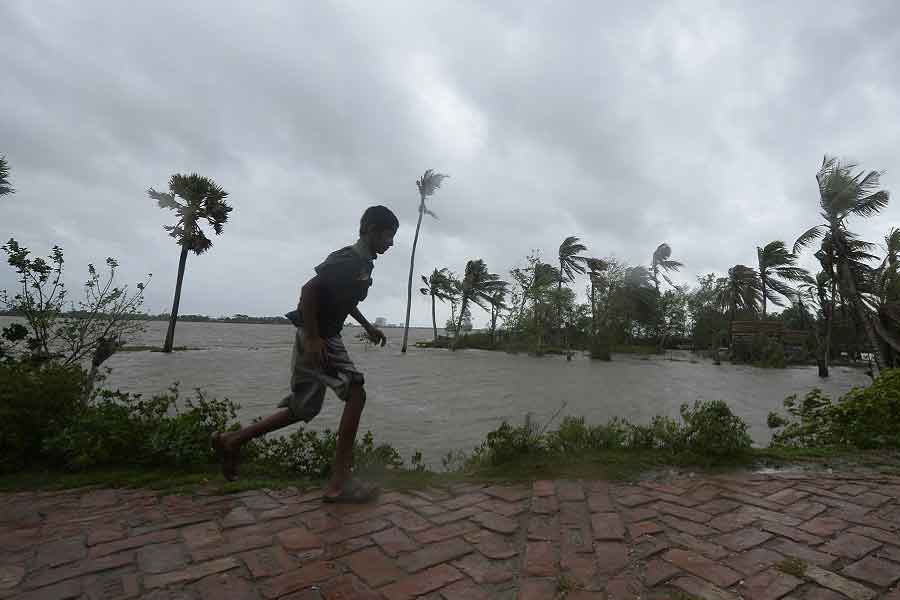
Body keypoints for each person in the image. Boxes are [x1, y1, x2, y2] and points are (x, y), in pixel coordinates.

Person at [213, 205, 398, 503]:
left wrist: (368, 327)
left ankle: (231, 440)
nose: (391, 243)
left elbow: (343, 298)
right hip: (320, 337)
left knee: (303, 408)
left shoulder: (364, 264)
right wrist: (313, 338)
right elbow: (309, 290)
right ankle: (340, 483)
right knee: (356, 393)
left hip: (320, 336)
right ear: (371, 230)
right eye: (389, 236)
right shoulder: (347, 260)